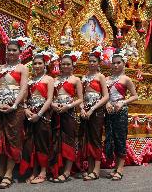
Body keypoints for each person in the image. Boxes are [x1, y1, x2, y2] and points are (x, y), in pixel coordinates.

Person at [0, 40, 29, 189]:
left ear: (19, 52)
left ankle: (9, 174)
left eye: (14, 50)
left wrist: (14, 105)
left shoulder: (23, 68)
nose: (11, 53)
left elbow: (23, 89)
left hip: (14, 110)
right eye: (9, 50)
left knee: (12, 140)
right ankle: (1, 173)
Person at [19, 52, 54, 184]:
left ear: (45, 65)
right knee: (30, 143)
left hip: (43, 115)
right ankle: (34, 171)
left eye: (40, 63)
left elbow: (50, 99)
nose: (37, 65)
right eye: (35, 63)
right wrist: (26, 110)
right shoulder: (30, 81)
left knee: (42, 143)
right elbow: (25, 99)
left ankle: (43, 171)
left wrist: (39, 115)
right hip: (30, 114)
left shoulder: (49, 79)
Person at [50, 51, 83, 182]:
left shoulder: (76, 80)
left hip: (69, 113)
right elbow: (50, 98)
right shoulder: (55, 80)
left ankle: (67, 171)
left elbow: (80, 99)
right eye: (63, 64)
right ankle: (56, 168)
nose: (65, 66)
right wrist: (53, 105)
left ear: (72, 65)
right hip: (56, 112)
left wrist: (68, 106)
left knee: (69, 140)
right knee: (56, 140)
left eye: (68, 64)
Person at [105, 48, 138, 180]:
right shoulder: (106, 78)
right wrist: (107, 103)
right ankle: (115, 166)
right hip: (109, 111)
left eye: (118, 62)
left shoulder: (126, 79)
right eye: (114, 63)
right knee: (111, 138)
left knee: (120, 138)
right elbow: (104, 95)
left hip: (120, 111)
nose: (116, 65)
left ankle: (120, 169)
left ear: (123, 63)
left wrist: (123, 102)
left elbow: (135, 96)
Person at [78, 46, 109, 181]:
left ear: (98, 63)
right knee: (87, 139)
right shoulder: (84, 78)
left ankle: (96, 169)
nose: (91, 63)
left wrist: (92, 109)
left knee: (95, 139)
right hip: (86, 111)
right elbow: (80, 96)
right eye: (89, 61)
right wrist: (82, 109)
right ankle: (89, 168)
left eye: (94, 61)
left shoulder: (100, 76)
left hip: (96, 111)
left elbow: (106, 96)